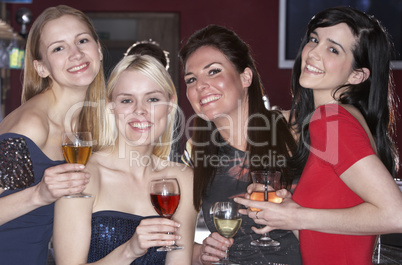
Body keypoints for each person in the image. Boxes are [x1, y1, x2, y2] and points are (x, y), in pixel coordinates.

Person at [234, 6, 402, 265]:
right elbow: (333, 239)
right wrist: (287, 212)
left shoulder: (331, 120)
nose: (313, 53)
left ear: (358, 75)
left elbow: (396, 215)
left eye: (333, 49)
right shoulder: (339, 118)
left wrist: (298, 216)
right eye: (314, 40)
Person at [53, 54, 197, 265]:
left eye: (153, 99)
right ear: (111, 107)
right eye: (127, 100)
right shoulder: (82, 175)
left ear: (170, 105)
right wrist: (130, 250)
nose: (140, 110)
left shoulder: (183, 179)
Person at [179, 24, 302, 265]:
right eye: (191, 79)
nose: (200, 86)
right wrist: (200, 253)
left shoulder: (294, 129)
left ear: (246, 77)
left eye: (213, 71)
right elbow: (179, 243)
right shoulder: (195, 151)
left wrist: (297, 217)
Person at [0, 5, 105, 265]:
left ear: (99, 50)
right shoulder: (31, 125)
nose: (76, 53)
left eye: (82, 40)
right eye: (58, 48)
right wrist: (39, 195)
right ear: (41, 68)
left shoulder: (85, 123)